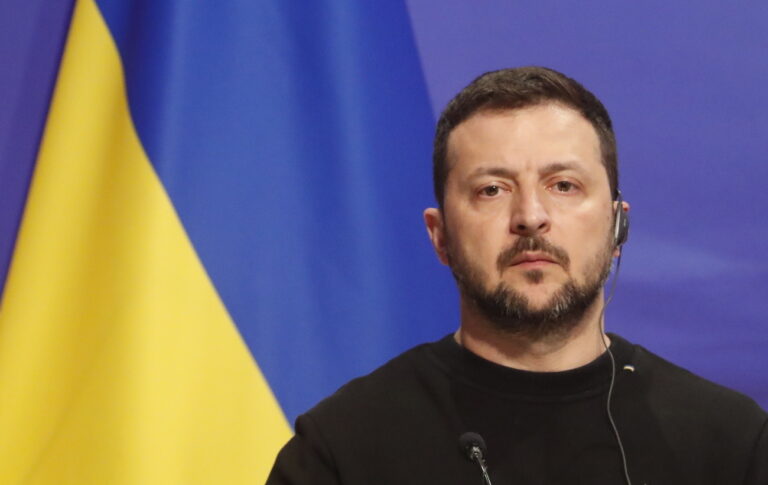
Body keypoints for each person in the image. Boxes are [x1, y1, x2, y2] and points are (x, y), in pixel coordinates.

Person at [267, 67, 767, 484]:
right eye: (491, 190)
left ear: (618, 225)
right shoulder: (343, 450)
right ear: (439, 235)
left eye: (564, 185)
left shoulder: (732, 445)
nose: (530, 216)